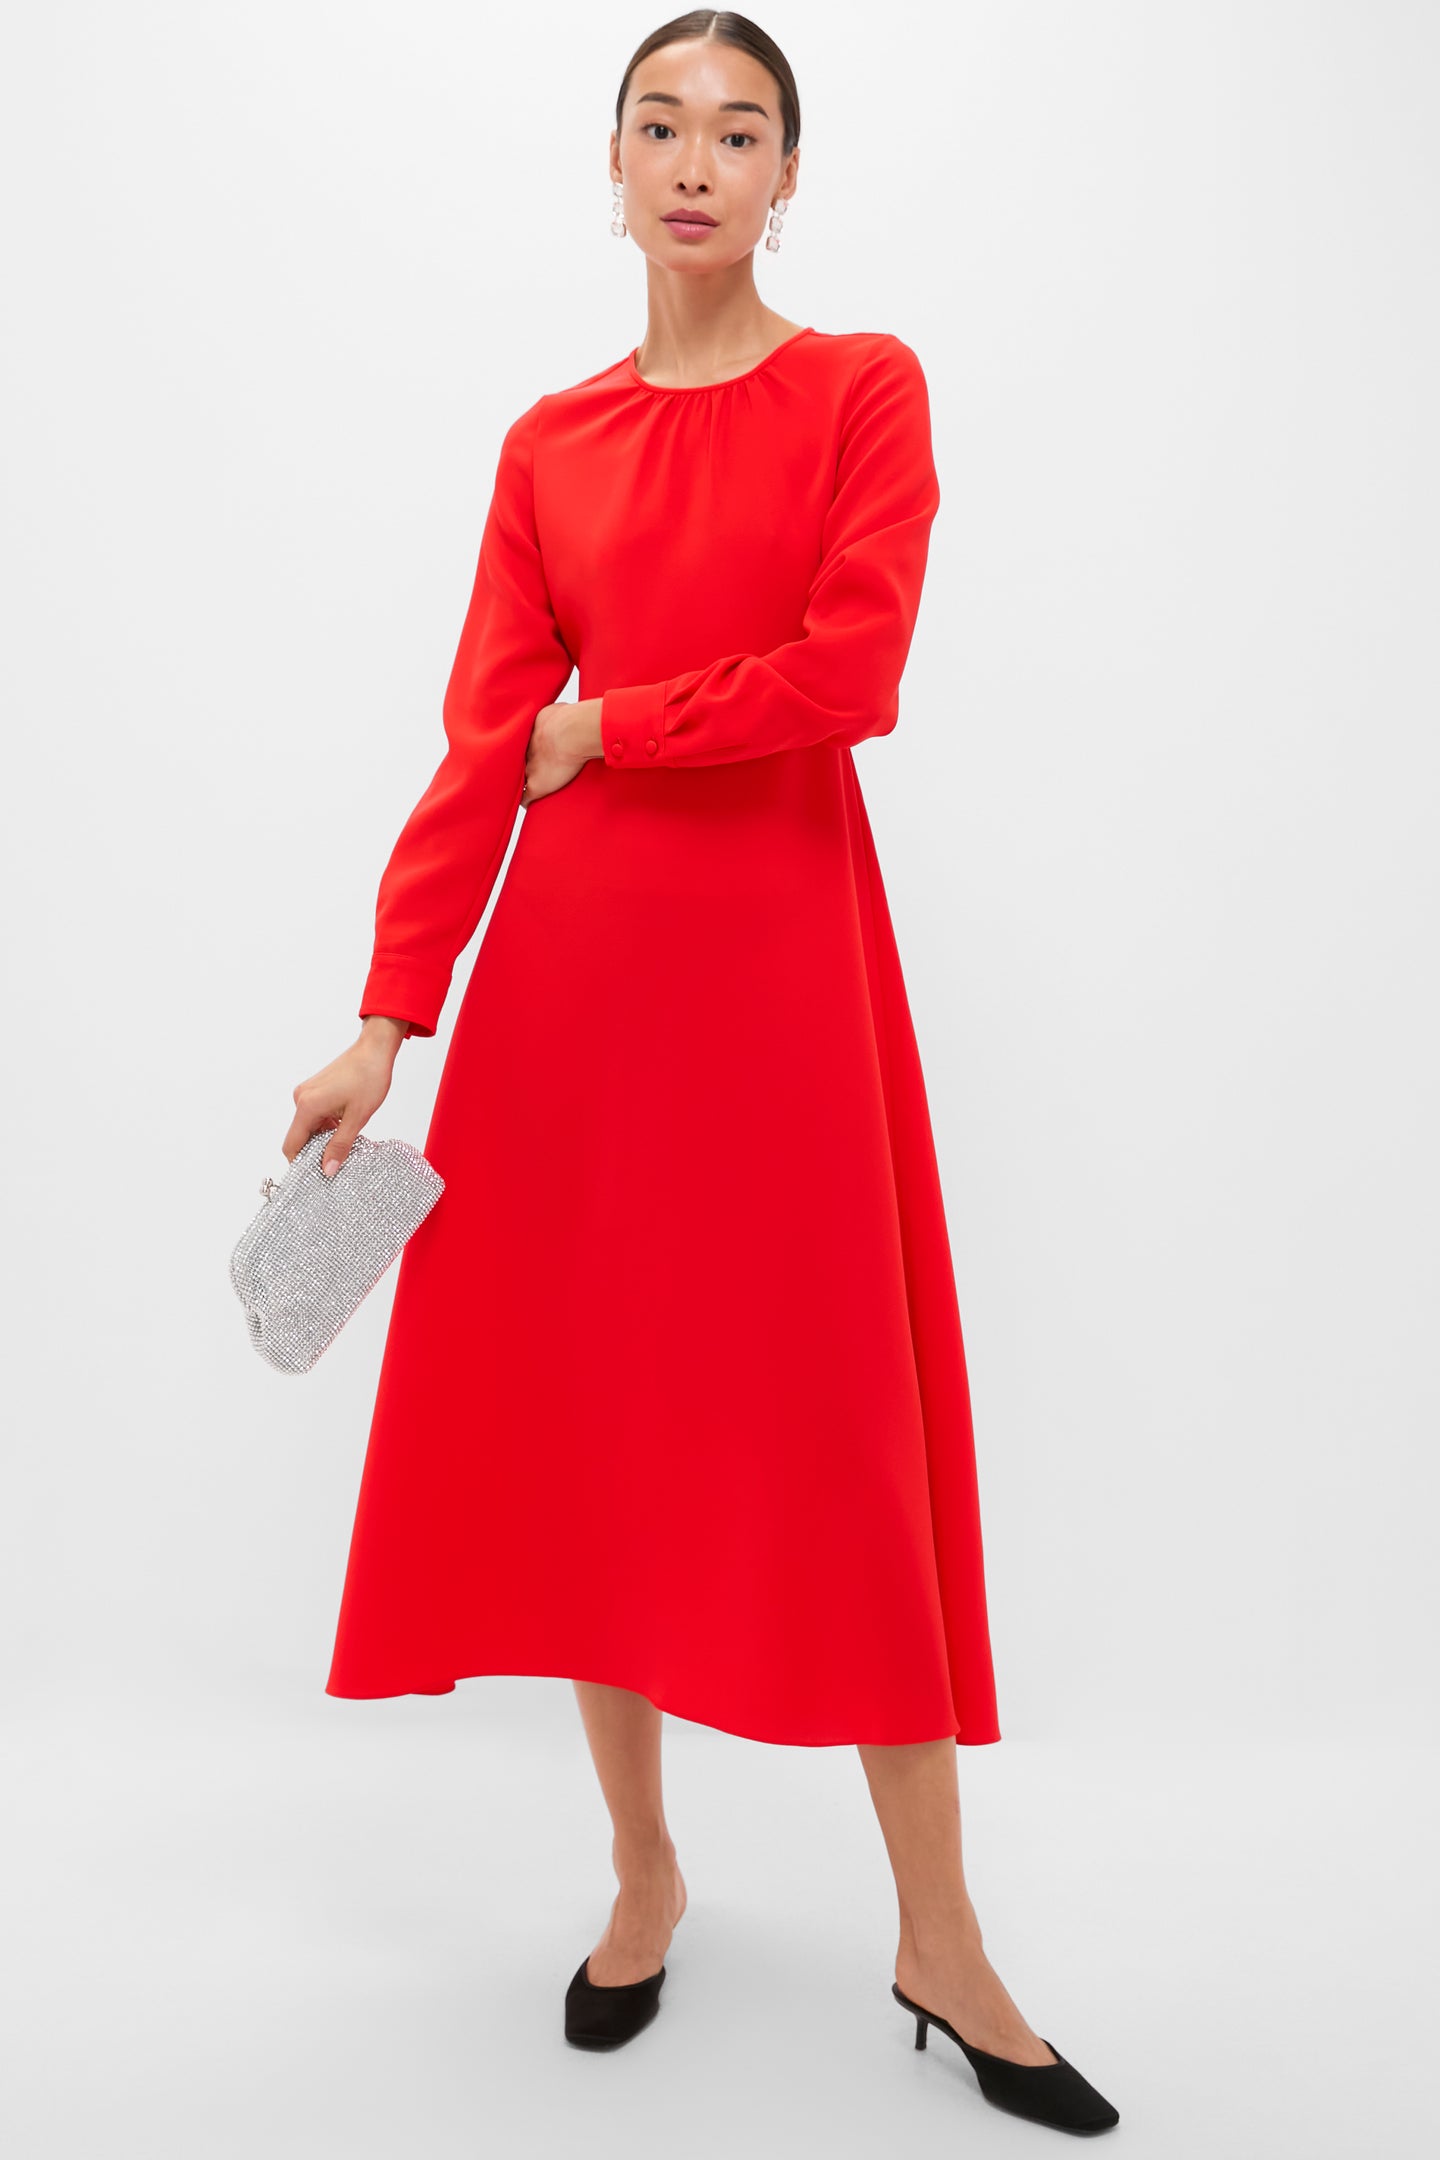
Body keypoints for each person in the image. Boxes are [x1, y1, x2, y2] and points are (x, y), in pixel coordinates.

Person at [285, 12, 1118, 2136]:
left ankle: (938, 1934)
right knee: (594, 1438)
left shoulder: (861, 388)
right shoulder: (548, 441)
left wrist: (611, 728)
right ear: (613, 160)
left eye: (739, 130)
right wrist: (392, 1013)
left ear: (787, 176)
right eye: (661, 122)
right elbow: (490, 738)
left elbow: (855, 669)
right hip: (571, 1007)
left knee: (843, 1445)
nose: (695, 159)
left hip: (780, 994)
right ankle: (644, 1871)